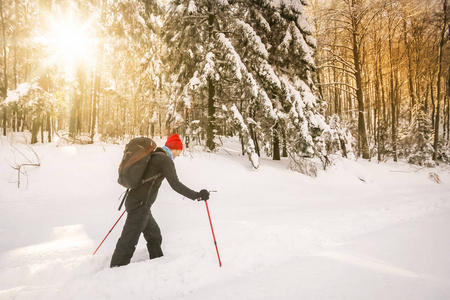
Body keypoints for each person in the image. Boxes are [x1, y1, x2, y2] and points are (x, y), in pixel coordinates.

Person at [110, 134, 210, 268]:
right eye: (180, 150)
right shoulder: (165, 160)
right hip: (140, 204)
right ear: (175, 148)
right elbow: (175, 184)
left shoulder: (156, 155)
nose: (179, 155)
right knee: (129, 239)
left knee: (154, 236)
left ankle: (157, 264)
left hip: (139, 203)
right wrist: (197, 195)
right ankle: (116, 269)